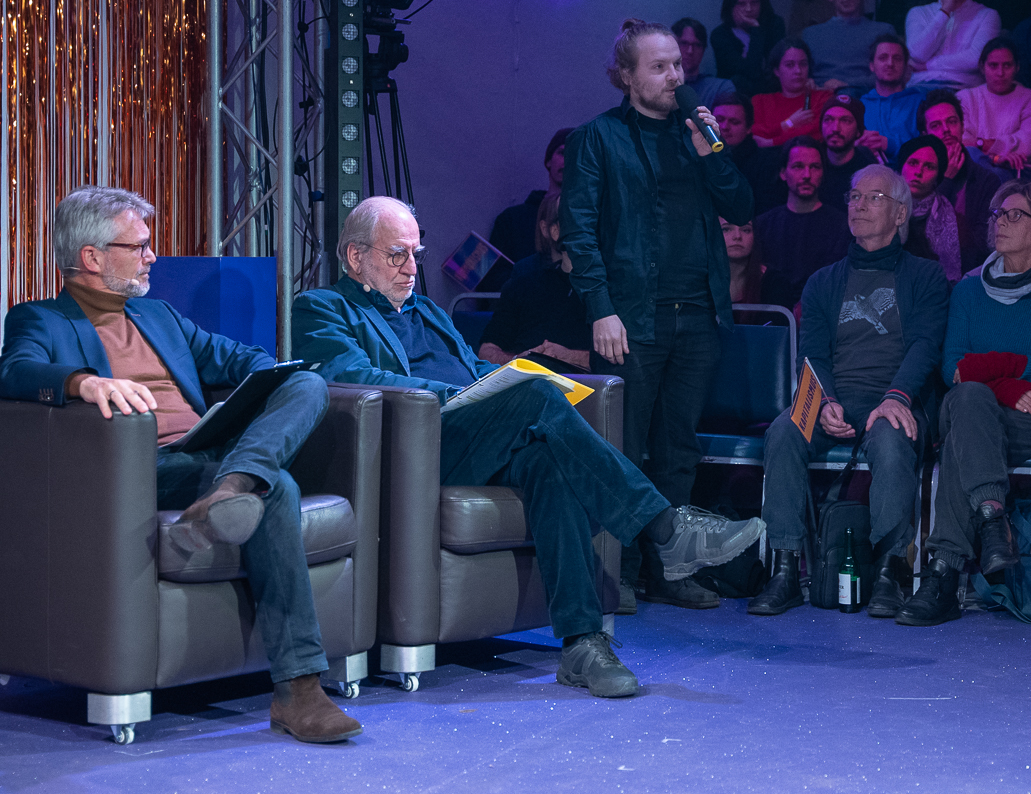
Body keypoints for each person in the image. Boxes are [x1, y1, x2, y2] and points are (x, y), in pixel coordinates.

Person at [293, 196, 766, 694]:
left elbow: (472, 368)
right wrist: (461, 396)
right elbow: (351, 376)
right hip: (416, 447)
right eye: (397, 255)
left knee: (548, 461)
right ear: (355, 257)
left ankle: (583, 644)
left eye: (416, 253)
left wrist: (506, 379)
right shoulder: (323, 308)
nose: (412, 268)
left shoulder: (426, 310)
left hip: (476, 435)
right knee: (535, 397)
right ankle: (664, 527)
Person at [0, 186, 358, 743]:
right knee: (278, 488)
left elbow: (241, 359)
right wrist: (84, 382)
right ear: (92, 256)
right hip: (144, 465)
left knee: (306, 382)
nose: (152, 257)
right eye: (138, 246)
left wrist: (268, 380)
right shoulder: (40, 319)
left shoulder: (157, 315)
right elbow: (16, 372)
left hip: (209, 452)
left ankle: (234, 483)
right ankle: (299, 690)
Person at [560, 18, 758, 610]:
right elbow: (579, 230)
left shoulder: (696, 135)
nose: (676, 75)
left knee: (678, 449)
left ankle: (669, 571)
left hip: (697, 314)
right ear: (626, 76)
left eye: (678, 64)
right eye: (660, 66)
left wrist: (712, 154)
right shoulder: (597, 138)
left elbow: (742, 206)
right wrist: (600, 309)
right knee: (622, 447)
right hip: (630, 317)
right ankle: (615, 574)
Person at [750, 165, 949, 619]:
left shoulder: (926, 276)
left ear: (901, 214)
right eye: (854, 196)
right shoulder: (823, 281)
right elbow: (812, 353)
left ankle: (889, 571)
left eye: (873, 198)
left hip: (894, 398)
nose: (858, 205)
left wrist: (897, 396)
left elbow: (926, 345)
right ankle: (785, 569)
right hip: (836, 398)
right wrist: (824, 401)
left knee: (892, 442)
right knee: (783, 432)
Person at [899, 182, 1031, 626]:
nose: (1000, 222)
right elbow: (953, 369)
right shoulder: (969, 291)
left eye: (1014, 214)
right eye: (997, 214)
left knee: (961, 441)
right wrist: (1004, 388)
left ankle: (944, 573)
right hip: (976, 408)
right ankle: (992, 519)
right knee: (969, 401)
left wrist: (1002, 371)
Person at [479, 193, 593, 373]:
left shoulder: (614, 290)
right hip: (522, 381)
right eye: (574, 218)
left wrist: (566, 356)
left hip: (584, 384)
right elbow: (486, 352)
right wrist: (520, 361)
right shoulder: (522, 285)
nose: (586, 225)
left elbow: (628, 357)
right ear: (554, 231)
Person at [754, 137, 853, 305]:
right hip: (771, 311)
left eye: (814, 167)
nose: (807, 175)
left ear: (823, 173)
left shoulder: (842, 226)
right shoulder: (763, 225)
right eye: (798, 166)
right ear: (783, 173)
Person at [920, 90, 1000, 274]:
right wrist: (946, 181)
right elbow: (920, 236)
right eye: (936, 125)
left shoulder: (987, 181)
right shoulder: (917, 176)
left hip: (971, 274)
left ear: (962, 126)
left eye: (952, 122)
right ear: (925, 134)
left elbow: (986, 244)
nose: (946, 129)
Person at [906, 0, 1002, 89]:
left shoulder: (987, 15)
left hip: (962, 89)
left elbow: (977, 58)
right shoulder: (918, 13)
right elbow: (917, 54)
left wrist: (929, 65)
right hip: (921, 86)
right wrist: (945, 10)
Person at [802, 0, 895, 88]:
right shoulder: (811, 35)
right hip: (821, 94)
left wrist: (847, 84)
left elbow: (891, 73)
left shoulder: (883, 31)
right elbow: (799, 74)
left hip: (865, 95)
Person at [959, 39, 1031, 175]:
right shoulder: (966, 98)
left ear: (1017, 67)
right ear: (982, 67)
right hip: (974, 167)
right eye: (993, 65)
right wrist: (996, 158)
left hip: (1017, 169)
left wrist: (981, 143)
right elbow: (961, 143)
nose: (1000, 73)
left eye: (1007, 65)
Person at [488, 127, 571, 265]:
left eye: (576, 155)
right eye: (562, 153)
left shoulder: (596, 221)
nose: (568, 160)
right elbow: (493, 274)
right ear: (549, 160)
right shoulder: (511, 220)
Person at [712, 0, 787, 98]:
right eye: (742, 4)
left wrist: (756, 29)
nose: (749, 9)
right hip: (737, 98)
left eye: (754, 2)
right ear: (731, 6)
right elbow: (751, 72)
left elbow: (776, 69)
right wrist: (755, 30)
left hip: (772, 93)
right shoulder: (720, 35)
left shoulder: (775, 25)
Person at [897, 134, 961, 282]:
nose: (918, 172)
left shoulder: (955, 221)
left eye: (929, 167)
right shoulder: (882, 210)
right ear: (901, 167)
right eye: (913, 163)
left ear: (938, 177)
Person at [713, 92, 786, 215]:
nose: (725, 127)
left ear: (749, 128)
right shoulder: (698, 158)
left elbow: (767, 211)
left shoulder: (766, 164)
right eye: (719, 120)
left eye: (734, 122)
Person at [751, 38, 832, 147]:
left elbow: (815, 132)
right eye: (790, 65)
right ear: (776, 71)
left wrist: (772, 142)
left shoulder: (823, 98)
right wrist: (788, 123)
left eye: (803, 64)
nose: (798, 71)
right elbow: (755, 132)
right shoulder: (760, 101)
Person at [860, 33, 927, 163]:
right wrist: (857, 146)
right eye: (883, 58)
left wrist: (888, 144)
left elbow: (928, 145)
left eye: (897, 58)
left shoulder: (921, 102)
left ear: (905, 66)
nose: (890, 63)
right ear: (872, 65)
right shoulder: (860, 106)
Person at [818, 93, 880, 207]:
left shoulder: (868, 170)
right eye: (828, 120)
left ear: (858, 131)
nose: (835, 128)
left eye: (845, 121)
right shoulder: (810, 164)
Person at [721, 216, 792, 308]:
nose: (737, 236)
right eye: (726, 229)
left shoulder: (775, 283)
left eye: (746, 230)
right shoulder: (703, 281)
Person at [672, 16, 735, 109]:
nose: (690, 51)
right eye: (684, 43)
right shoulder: (660, 83)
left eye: (697, 45)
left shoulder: (720, 88)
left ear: (703, 50)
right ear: (673, 45)